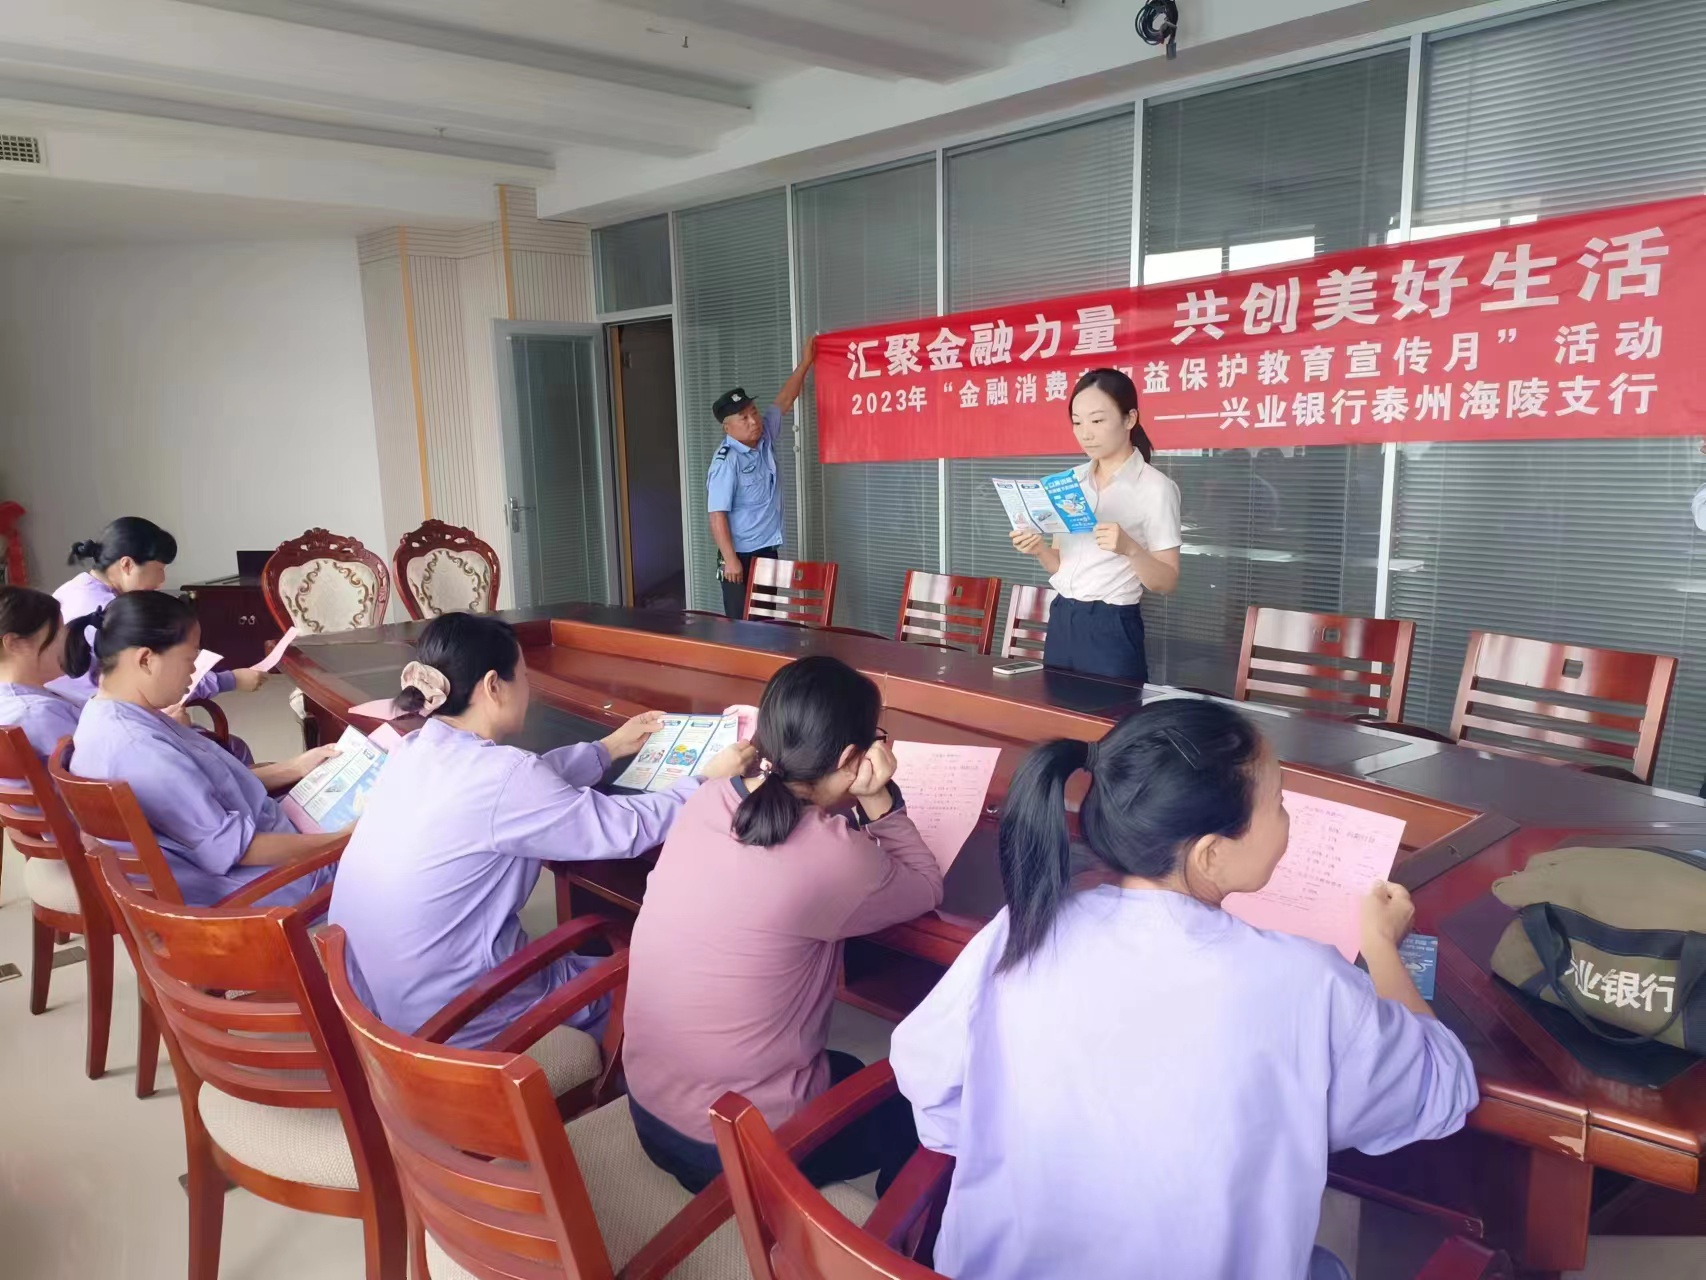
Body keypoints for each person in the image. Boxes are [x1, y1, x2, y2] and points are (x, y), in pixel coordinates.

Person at [890, 699, 1478, 1280]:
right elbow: (1442, 1088)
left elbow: (927, 1078)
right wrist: (1380, 945)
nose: (1289, 820)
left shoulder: (1021, 928)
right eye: (1278, 803)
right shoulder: (1307, 982)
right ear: (1211, 854)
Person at [327, 612, 751, 1047]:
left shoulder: (415, 748)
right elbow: (625, 828)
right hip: (457, 1020)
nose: (529, 688)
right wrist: (706, 781)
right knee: (661, 989)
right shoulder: (503, 777)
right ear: (493, 686)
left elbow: (526, 785)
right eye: (525, 676)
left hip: (376, 1008)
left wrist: (607, 749)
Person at [623, 655, 943, 1195]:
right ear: (851, 757)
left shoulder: (708, 798)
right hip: (738, 1153)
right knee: (916, 1106)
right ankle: (891, 1231)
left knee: (844, 1066)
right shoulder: (833, 854)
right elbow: (926, 885)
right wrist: (876, 799)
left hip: (651, 1111)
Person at [65, 591, 344, 906]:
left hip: (263, 844)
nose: (195, 671)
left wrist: (295, 767)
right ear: (145, 660)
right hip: (263, 884)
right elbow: (240, 850)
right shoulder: (140, 749)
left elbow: (212, 787)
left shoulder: (108, 714)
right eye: (190, 658)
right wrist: (341, 840)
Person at [1008, 368, 1181, 683]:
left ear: (1129, 419)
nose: (1085, 433)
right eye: (1077, 422)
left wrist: (1130, 549)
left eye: (1097, 421)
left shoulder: (1156, 488)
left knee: (1112, 713)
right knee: (1056, 708)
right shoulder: (1069, 482)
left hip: (1112, 625)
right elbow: (1061, 565)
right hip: (1062, 618)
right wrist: (1039, 550)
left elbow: (1166, 581)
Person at [52, 517, 268, 763]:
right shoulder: (112, 612)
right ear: (127, 564)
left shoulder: (72, 590)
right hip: (114, 723)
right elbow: (163, 674)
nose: (162, 580)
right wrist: (231, 679)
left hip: (88, 716)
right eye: (159, 568)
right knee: (231, 750)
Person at [707, 341, 817, 619]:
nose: (754, 421)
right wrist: (730, 560)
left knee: (767, 623)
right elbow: (717, 515)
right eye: (743, 418)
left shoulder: (764, 434)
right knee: (742, 629)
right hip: (739, 558)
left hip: (766, 551)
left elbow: (784, 399)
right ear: (727, 427)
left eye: (753, 412)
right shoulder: (727, 461)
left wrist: (806, 363)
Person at [0, 585, 81, 766]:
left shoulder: (24, 702)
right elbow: (98, 769)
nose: (67, 642)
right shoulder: (35, 713)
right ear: (15, 643)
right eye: (58, 632)